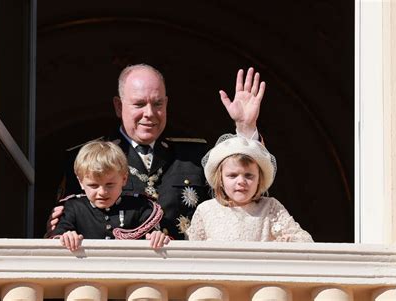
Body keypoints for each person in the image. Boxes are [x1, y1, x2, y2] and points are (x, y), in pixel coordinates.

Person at [47, 63, 266, 240]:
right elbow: (64, 228)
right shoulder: (86, 159)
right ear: (119, 106)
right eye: (139, 104)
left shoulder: (195, 156)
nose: (150, 113)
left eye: (157, 104)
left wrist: (245, 129)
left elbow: (243, 199)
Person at [186, 134, 313, 242]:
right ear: (220, 180)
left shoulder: (270, 207)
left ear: (259, 179)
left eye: (249, 175)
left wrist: (288, 241)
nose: (241, 181)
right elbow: (190, 254)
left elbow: (306, 241)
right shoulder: (206, 210)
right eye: (232, 175)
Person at [49, 140, 170, 251]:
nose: (102, 192)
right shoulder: (73, 207)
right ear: (81, 182)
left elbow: (155, 234)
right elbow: (58, 235)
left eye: (110, 184)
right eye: (94, 185)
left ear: (124, 179)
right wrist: (66, 236)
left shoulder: (140, 206)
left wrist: (157, 236)